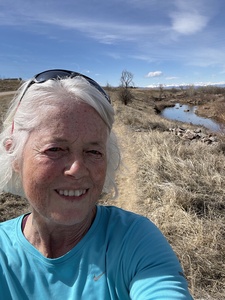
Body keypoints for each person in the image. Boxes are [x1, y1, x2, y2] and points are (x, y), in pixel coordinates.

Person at [0, 69, 193, 299]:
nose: (77, 169)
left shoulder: (136, 241)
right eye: (55, 149)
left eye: (93, 151)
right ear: (14, 155)